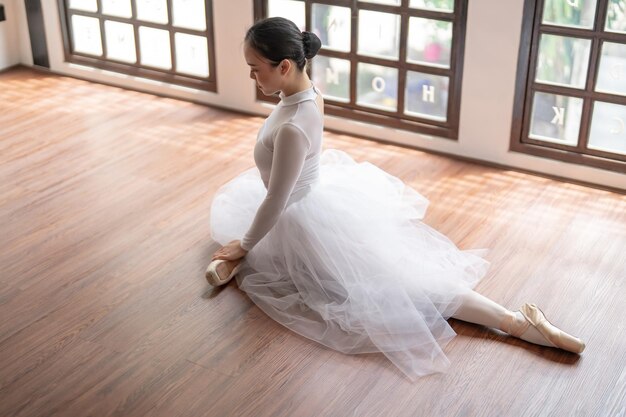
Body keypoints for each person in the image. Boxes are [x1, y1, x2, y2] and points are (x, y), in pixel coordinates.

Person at [205, 17, 585, 381]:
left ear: (284, 66)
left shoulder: (291, 126)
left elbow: (276, 199)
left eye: (256, 68)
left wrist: (246, 244)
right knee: (390, 274)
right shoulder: (308, 94)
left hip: (298, 213)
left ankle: (514, 322)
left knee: (391, 286)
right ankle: (514, 320)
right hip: (314, 197)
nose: (252, 76)